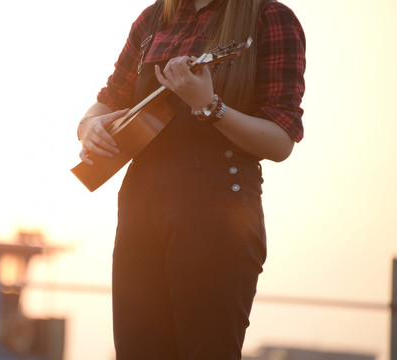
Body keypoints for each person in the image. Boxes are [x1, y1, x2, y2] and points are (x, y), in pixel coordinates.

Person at [77, 0, 306, 359]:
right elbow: (109, 99)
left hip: (219, 212)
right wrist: (88, 126)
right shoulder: (153, 18)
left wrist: (210, 106)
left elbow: (280, 140)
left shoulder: (269, 17)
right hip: (140, 208)